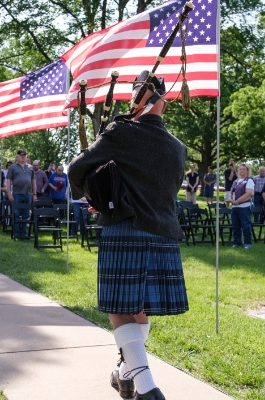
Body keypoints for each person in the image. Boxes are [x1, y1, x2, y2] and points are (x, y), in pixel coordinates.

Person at [69, 70, 188, 400]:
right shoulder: (179, 149)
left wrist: (93, 197)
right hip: (162, 234)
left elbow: (76, 168)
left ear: (137, 98)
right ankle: (124, 376)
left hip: (125, 228)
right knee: (138, 310)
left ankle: (148, 389)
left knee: (120, 310)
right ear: (164, 101)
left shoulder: (120, 131)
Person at [6, 149, 37, 238]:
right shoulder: (13, 167)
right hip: (16, 194)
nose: (23, 157)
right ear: (17, 156)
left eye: (24, 155)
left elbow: (33, 181)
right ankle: (16, 233)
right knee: (16, 214)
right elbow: (8, 181)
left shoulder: (30, 167)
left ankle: (23, 233)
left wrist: (34, 194)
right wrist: (9, 194)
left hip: (28, 194)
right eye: (21, 155)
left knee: (26, 214)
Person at [230, 164, 254, 249]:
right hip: (234, 207)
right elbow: (231, 192)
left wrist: (238, 201)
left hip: (244, 207)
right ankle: (237, 242)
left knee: (245, 225)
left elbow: (249, 193)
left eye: (243, 169)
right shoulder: (236, 181)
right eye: (240, 169)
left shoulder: (249, 181)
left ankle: (247, 243)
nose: (241, 171)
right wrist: (231, 200)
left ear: (247, 171)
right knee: (235, 226)